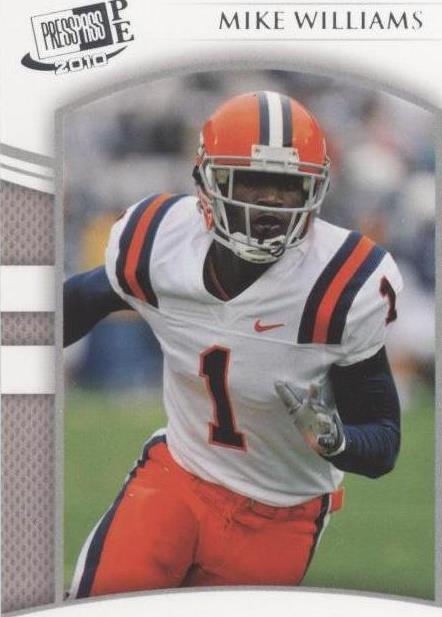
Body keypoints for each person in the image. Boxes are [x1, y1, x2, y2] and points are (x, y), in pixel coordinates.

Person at [65, 90, 402, 597]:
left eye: (287, 185)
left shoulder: (339, 285)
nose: (270, 201)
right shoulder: (160, 241)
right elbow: (78, 301)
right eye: (252, 181)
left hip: (281, 513)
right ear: (208, 181)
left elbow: (383, 438)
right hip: (177, 479)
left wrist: (339, 442)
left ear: (314, 189)